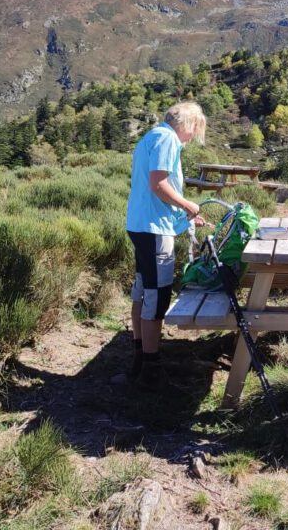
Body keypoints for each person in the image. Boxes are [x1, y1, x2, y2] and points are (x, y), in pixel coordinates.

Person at [114, 101, 208, 389]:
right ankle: (151, 371)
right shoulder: (168, 139)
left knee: (142, 290)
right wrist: (186, 203)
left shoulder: (152, 136)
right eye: (195, 130)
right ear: (188, 125)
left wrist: (185, 216)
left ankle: (140, 360)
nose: (192, 137)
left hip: (141, 225)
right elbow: (159, 183)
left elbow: (152, 188)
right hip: (155, 230)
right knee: (157, 297)